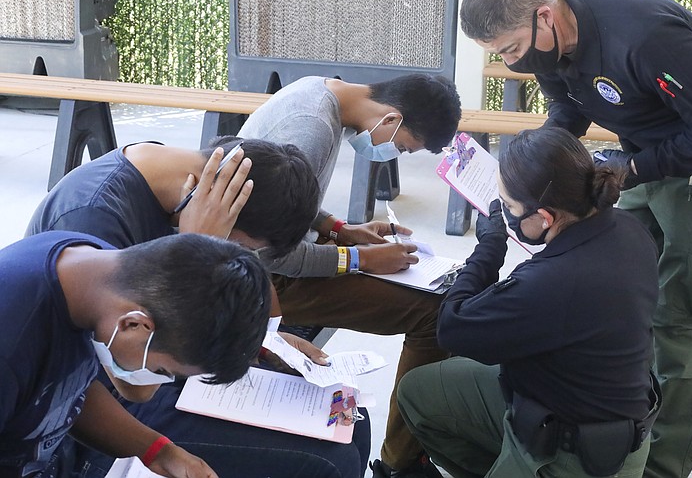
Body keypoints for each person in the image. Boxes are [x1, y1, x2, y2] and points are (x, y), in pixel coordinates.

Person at [459, 0, 692, 478]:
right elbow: (567, 107)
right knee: (623, 300)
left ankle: (660, 469)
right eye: (501, 55)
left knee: (686, 323)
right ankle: (625, 445)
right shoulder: (549, 44)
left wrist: (637, 168)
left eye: (511, 49)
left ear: (545, 16)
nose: (511, 62)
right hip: (644, 158)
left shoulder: (643, 37)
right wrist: (533, 167)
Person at [26, 138, 373, 478]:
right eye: (237, 245)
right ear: (222, 203)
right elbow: (128, 377)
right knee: (330, 460)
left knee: (348, 418)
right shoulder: (93, 218)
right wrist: (191, 249)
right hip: (97, 401)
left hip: (162, 362)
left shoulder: (171, 178)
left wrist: (267, 340)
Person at [396, 127, 660, 478]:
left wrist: (489, 248)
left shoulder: (550, 282)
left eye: (508, 206)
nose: (505, 214)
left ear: (545, 216)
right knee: (419, 391)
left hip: (576, 457)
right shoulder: (628, 228)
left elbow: (453, 327)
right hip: (590, 413)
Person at [237, 73, 462, 478]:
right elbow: (275, 252)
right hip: (257, 277)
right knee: (436, 314)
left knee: (441, 298)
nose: (395, 154)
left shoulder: (320, 92)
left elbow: (280, 201)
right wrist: (359, 259)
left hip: (270, 254)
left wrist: (341, 230)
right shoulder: (312, 128)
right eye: (404, 148)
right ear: (391, 119)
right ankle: (399, 466)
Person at [0, 231, 271, 478]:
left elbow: (61, 391)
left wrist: (161, 453)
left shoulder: (105, 274)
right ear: (134, 325)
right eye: (163, 371)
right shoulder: (11, 342)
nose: (154, 387)